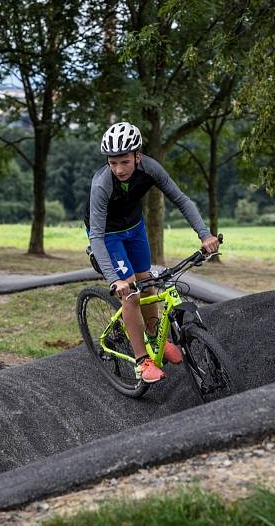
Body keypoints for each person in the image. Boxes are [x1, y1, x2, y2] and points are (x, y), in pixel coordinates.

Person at [85, 121, 220, 383]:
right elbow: (97, 236)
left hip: (135, 228)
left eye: (124, 162)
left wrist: (205, 235)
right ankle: (141, 361)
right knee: (132, 295)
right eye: (112, 163)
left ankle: (154, 334)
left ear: (137, 156)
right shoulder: (102, 184)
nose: (118, 169)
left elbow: (181, 199)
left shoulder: (151, 168)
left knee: (148, 284)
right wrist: (115, 279)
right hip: (108, 235)